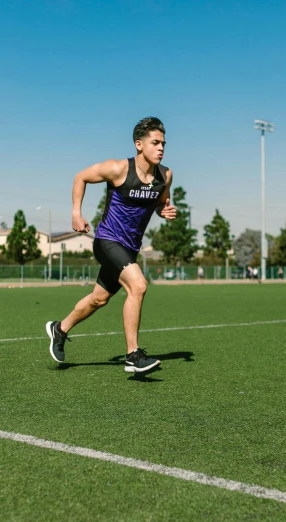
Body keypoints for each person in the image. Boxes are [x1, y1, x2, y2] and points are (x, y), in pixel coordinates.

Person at [45, 117, 176, 373]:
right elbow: (80, 177)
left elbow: (161, 202)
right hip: (107, 240)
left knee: (99, 299)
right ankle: (133, 355)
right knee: (138, 285)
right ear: (139, 144)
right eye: (155, 143)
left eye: (163, 143)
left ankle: (59, 329)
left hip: (130, 248)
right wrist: (76, 213)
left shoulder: (165, 176)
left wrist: (164, 211)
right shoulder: (118, 169)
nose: (161, 148)